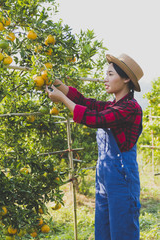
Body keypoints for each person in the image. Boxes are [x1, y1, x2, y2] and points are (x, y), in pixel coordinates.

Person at [46, 53, 144, 240]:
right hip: (104, 179)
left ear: (126, 79)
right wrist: (58, 84)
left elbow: (95, 119)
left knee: (123, 232)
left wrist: (63, 100)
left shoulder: (130, 107)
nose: (105, 79)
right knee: (103, 231)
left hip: (122, 181)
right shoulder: (112, 105)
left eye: (110, 74)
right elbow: (87, 103)